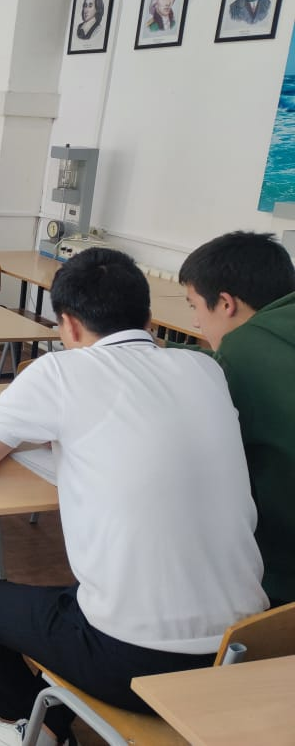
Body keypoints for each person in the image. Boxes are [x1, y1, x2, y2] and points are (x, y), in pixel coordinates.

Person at [0, 248, 267, 746]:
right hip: (244, 647)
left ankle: (36, 730)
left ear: (69, 325)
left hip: (138, 663)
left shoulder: (58, 373)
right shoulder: (205, 370)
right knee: (87, 589)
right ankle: (46, 720)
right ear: (148, 317)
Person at [179, 230, 295, 607]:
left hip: (278, 577)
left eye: (195, 306)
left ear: (226, 303)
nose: (196, 323)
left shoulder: (242, 351)